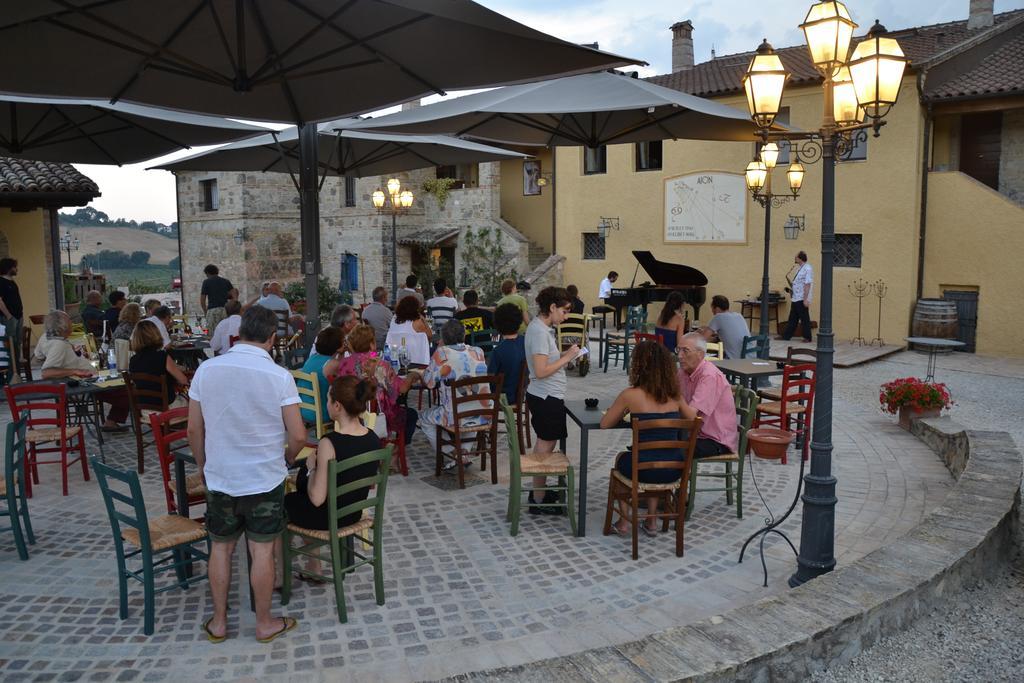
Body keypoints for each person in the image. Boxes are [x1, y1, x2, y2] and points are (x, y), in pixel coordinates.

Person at [187, 306, 306, 644]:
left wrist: (202, 465)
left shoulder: (206, 371)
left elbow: (194, 430)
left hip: (221, 475)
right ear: (272, 338)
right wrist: (286, 458)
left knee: (220, 549)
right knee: (262, 551)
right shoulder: (279, 376)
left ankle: (220, 622)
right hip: (264, 478)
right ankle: (265, 622)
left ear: (238, 334)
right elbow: (298, 435)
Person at [284, 375, 381, 578]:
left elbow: (317, 499)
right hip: (352, 512)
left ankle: (278, 575)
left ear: (337, 406)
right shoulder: (373, 438)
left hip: (329, 516)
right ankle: (314, 567)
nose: (326, 404)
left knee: (280, 506)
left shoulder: (329, 443)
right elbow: (367, 481)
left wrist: (312, 468)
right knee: (298, 502)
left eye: (328, 400)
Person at [601, 341, 689, 535]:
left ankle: (624, 523)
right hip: (674, 469)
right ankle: (651, 521)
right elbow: (692, 420)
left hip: (643, 469)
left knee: (623, 459)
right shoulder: (675, 396)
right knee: (656, 459)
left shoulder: (630, 395)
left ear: (638, 366)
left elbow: (605, 423)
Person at [524, 286, 579, 514]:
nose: (565, 317)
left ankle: (540, 494)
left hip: (547, 395)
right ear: (552, 307)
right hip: (545, 396)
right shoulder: (538, 331)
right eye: (564, 311)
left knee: (547, 444)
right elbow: (540, 370)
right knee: (544, 447)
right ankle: (538, 499)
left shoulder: (543, 329)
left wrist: (565, 356)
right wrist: (567, 357)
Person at [333, 324, 420, 467]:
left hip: (350, 412)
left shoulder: (344, 364)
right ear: (372, 344)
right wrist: (412, 376)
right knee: (410, 415)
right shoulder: (379, 365)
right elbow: (402, 389)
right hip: (376, 416)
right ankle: (394, 452)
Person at [34, 310, 129, 431]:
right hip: (83, 383)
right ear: (62, 325)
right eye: (69, 321)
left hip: (83, 378)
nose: (72, 323)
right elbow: (46, 373)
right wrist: (73, 371)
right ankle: (143, 416)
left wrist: (69, 355)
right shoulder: (59, 344)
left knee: (122, 385)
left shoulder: (46, 337)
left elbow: (38, 356)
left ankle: (112, 421)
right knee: (127, 391)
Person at [418, 319, 489, 467]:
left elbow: (429, 383)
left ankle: (453, 453)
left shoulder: (442, 353)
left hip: (453, 416)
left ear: (443, 338)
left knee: (424, 419)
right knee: (471, 407)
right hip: (482, 412)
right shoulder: (478, 352)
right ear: (464, 336)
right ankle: (463, 453)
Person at [676, 332, 738, 458]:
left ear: (700, 354)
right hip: (695, 432)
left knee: (672, 449)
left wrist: (675, 395)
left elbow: (691, 417)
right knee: (655, 436)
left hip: (715, 440)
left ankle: (675, 477)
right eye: (678, 350)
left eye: (685, 351)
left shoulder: (709, 376)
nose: (680, 355)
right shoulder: (683, 372)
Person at [127, 320, 189, 408]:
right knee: (193, 402)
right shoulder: (162, 356)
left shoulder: (133, 360)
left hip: (145, 408)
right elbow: (183, 380)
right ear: (155, 334)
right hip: (166, 407)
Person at [297, 326, 345, 427]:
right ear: (338, 345)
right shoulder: (332, 364)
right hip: (322, 413)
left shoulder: (312, 358)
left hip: (303, 410)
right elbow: (344, 379)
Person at [487, 302, 526, 406]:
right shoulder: (526, 342)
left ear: (497, 324)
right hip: (523, 394)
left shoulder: (498, 351)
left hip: (502, 397)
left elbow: (490, 378)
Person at [703, 295, 751, 359]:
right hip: (750, 357)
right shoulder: (739, 315)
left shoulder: (718, 317)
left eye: (712, 308)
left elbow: (702, 338)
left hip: (735, 360)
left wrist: (698, 332)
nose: (712, 311)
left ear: (716, 308)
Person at [782, 251, 813, 342]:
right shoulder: (799, 268)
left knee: (804, 318)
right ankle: (786, 336)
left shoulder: (808, 268)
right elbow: (797, 283)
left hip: (801, 297)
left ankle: (807, 337)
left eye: (796, 257)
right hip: (796, 297)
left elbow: (807, 284)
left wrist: (806, 299)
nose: (795, 258)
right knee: (792, 318)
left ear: (800, 258)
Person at [0, 258, 23, 368]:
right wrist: (9, 316)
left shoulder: (12, 282)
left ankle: (16, 368)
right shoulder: (1, 282)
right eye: (14, 267)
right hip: (9, 319)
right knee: (11, 344)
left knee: (17, 343)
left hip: (18, 317)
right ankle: (12, 369)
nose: (16, 269)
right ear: (9, 268)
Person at [200, 264, 234, 334]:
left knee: (213, 334)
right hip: (224, 310)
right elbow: (233, 294)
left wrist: (205, 311)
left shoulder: (206, 282)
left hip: (212, 310)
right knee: (225, 333)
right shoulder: (226, 281)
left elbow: (202, 299)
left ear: (207, 273)